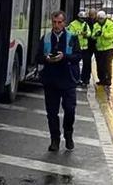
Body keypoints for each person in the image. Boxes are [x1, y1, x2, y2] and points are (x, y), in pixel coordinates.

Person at [36, 11, 82, 152]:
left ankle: (68, 135)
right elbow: (37, 57)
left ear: (64, 23)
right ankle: (54, 139)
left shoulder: (72, 38)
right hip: (51, 80)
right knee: (52, 113)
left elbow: (78, 57)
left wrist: (65, 57)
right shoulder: (46, 38)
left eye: (59, 22)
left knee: (70, 110)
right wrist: (47, 59)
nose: (57, 25)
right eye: (54, 22)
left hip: (68, 80)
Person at [67, 11, 91, 88]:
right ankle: (76, 78)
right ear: (78, 17)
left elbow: (89, 33)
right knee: (75, 64)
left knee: (86, 64)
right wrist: (80, 33)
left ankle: (84, 79)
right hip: (76, 48)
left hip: (84, 48)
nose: (83, 20)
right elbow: (70, 33)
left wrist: (86, 34)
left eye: (84, 18)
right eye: (82, 18)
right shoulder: (73, 24)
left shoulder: (85, 24)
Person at [92, 10, 113, 86]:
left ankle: (108, 80)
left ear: (105, 18)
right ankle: (101, 80)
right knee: (99, 65)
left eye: (102, 18)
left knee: (107, 65)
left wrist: (102, 33)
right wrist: (96, 34)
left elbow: (111, 35)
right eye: (99, 18)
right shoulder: (96, 25)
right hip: (99, 48)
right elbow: (93, 36)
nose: (100, 20)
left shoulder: (110, 24)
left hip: (108, 48)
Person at [82, 8, 98, 86]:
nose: (92, 16)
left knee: (100, 63)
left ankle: (100, 79)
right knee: (86, 63)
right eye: (90, 15)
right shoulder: (86, 22)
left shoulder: (98, 22)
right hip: (88, 44)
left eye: (93, 15)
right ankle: (85, 79)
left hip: (96, 44)